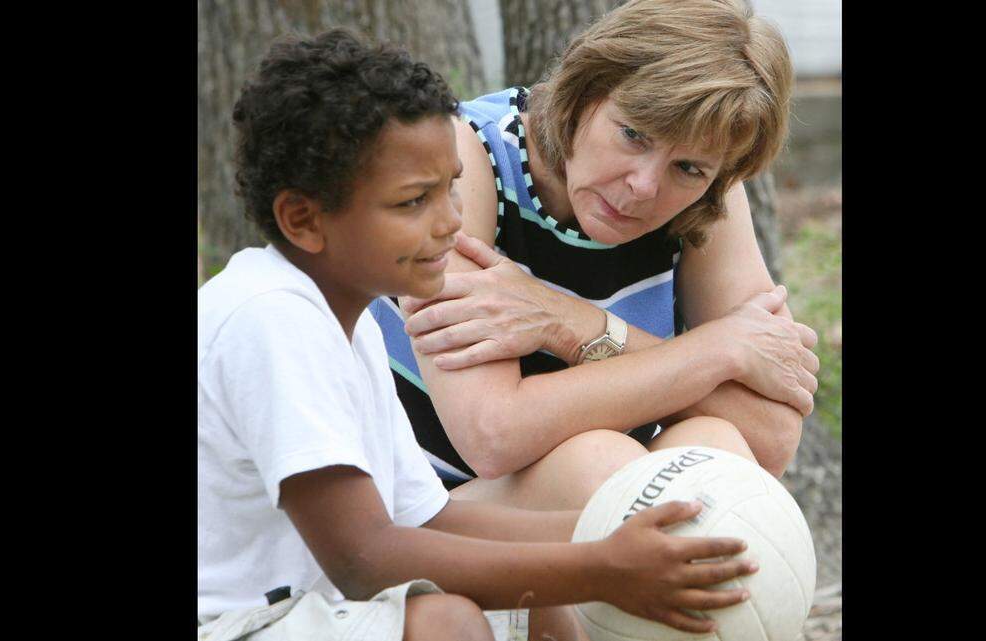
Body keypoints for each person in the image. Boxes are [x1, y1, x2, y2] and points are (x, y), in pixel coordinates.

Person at [198, 28, 759, 641]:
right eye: (413, 202)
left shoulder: (347, 327)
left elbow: (430, 519)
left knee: (533, 597)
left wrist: (616, 531)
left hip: (319, 607)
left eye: (450, 190)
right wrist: (599, 565)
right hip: (237, 621)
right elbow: (364, 559)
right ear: (304, 220)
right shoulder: (272, 318)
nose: (449, 223)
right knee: (447, 622)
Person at [368, 0, 820, 509]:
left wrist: (572, 323)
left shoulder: (703, 191)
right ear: (584, 92)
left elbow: (769, 437)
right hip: (415, 521)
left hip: (582, 512)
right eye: (633, 135)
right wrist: (719, 351)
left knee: (715, 455)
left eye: (689, 168)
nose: (644, 186)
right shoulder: (462, 159)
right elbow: (492, 434)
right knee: (600, 465)